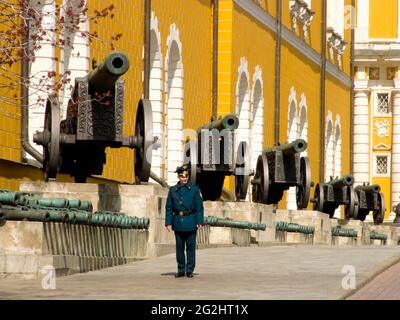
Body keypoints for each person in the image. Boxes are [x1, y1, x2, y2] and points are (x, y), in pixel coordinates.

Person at [165, 164, 204, 278]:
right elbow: (168, 208)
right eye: (182, 176)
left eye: (186, 176)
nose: (185, 178)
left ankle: (190, 270)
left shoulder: (194, 189)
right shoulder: (173, 191)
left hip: (191, 221)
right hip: (178, 222)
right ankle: (181, 269)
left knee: (191, 247)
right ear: (178, 177)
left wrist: (199, 221)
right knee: (179, 247)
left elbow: (199, 207)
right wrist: (168, 223)